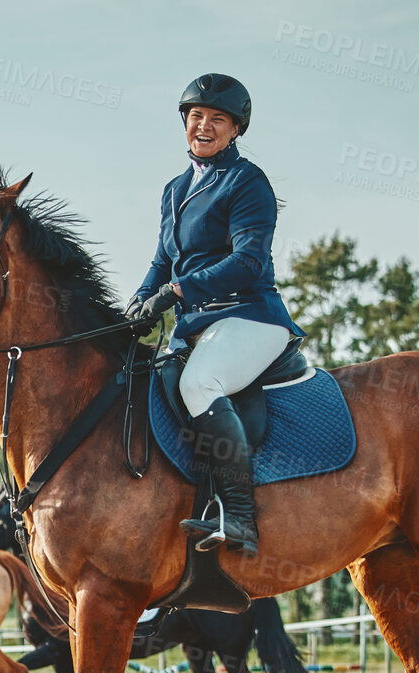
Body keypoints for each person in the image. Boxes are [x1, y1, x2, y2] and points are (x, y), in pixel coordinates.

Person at [123, 73, 304, 556]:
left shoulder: (247, 182)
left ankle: (240, 517)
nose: (204, 126)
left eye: (217, 119)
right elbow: (164, 259)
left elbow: (248, 261)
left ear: (236, 130)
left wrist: (177, 291)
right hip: (197, 324)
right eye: (196, 116)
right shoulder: (176, 188)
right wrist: (141, 300)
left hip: (250, 316)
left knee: (198, 384)